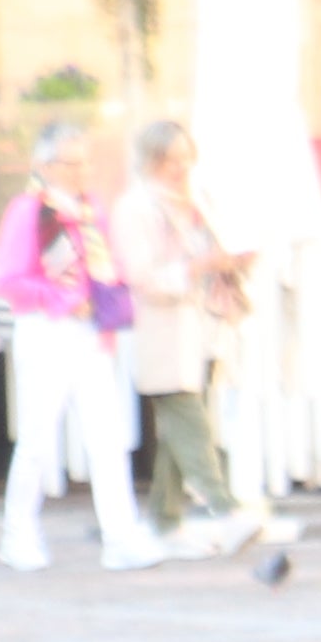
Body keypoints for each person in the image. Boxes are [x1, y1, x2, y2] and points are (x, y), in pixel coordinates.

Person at [0, 124, 148, 574]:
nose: (80, 172)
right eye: (69, 163)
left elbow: (105, 269)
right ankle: (18, 534)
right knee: (37, 439)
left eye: (84, 162)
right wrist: (63, 300)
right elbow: (10, 280)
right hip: (46, 332)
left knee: (107, 438)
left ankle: (120, 535)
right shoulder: (30, 211)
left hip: (90, 336)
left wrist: (104, 315)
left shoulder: (90, 210)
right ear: (45, 166)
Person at [108, 120, 253, 551]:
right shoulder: (136, 207)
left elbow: (212, 251)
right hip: (162, 330)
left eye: (186, 159)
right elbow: (142, 277)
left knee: (180, 428)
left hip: (203, 326)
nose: (180, 168)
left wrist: (231, 261)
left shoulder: (196, 201)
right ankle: (225, 510)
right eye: (171, 160)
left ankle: (165, 520)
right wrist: (201, 266)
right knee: (189, 421)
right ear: (152, 160)